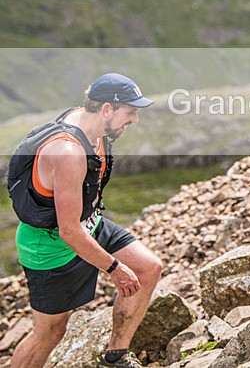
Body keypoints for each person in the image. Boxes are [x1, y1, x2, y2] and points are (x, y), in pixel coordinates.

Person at [9, 73, 162, 368]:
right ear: (106, 109)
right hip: (51, 246)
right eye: (130, 112)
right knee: (50, 333)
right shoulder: (68, 152)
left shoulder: (94, 125)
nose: (135, 120)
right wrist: (115, 269)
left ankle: (115, 356)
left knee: (148, 268)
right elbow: (68, 231)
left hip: (88, 224)